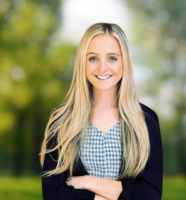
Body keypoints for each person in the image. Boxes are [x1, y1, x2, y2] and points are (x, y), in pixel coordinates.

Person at [39, 22, 163, 200]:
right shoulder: (61, 119)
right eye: (93, 58)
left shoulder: (146, 120)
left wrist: (87, 181)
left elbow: (150, 195)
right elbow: (53, 193)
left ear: (124, 62)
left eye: (112, 58)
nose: (102, 68)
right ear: (83, 62)